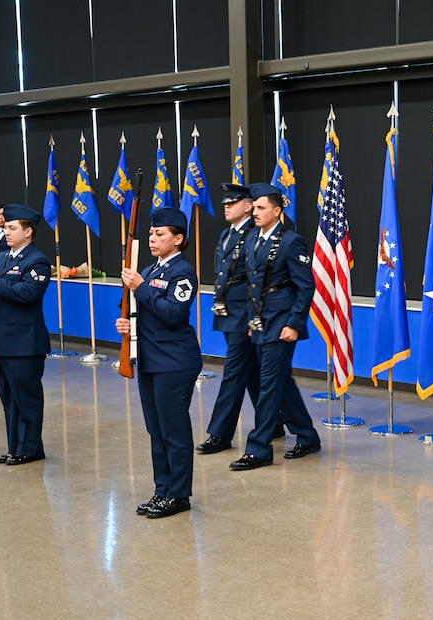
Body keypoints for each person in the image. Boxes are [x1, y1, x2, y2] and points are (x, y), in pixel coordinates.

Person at [116, 207, 203, 519]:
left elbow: (173, 314)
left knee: (174, 430)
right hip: (151, 360)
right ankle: (162, 489)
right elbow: (148, 313)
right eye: (151, 233)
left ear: (178, 239)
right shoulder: (153, 270)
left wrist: (139, 287)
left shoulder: (183, 272)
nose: (153, 239)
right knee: (156, 430)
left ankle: (179, 494)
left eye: (160, 234)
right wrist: (130, 326)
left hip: (175, 362)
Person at [228, 183, 320, 471]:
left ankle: (259, 449)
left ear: (277, 211)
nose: (254, 212)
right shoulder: (254, 238)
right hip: (260, 323)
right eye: (253, 207)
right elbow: (255, 285)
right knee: (281, 384)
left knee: (268, 385)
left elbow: (306, 287)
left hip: (282, 325)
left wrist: (294, 323)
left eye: (260, 207)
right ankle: (307, 436)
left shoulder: (292, 242)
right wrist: (250, 321)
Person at [196, 183, 286, 455]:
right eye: (225, 202)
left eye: (233, 202)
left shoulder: (255, 235)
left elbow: (258, 279)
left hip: (246, 313)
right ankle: (275, 422)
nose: (226, 206)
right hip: (229, 310)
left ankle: (220, 433)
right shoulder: (227, 234)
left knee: (234, 371)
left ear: (248, 206)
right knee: (250, 371)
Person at [0, 204, 51, 465]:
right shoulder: (0, 258)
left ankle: (31, 448)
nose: (6, 231)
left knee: (26, 397)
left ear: (28, 232)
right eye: (5, 227)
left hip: (24, 343)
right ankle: (15, 447)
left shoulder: (37, 261)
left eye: (11, 227)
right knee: (9, 398)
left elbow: (29, 294)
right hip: (1, 340)